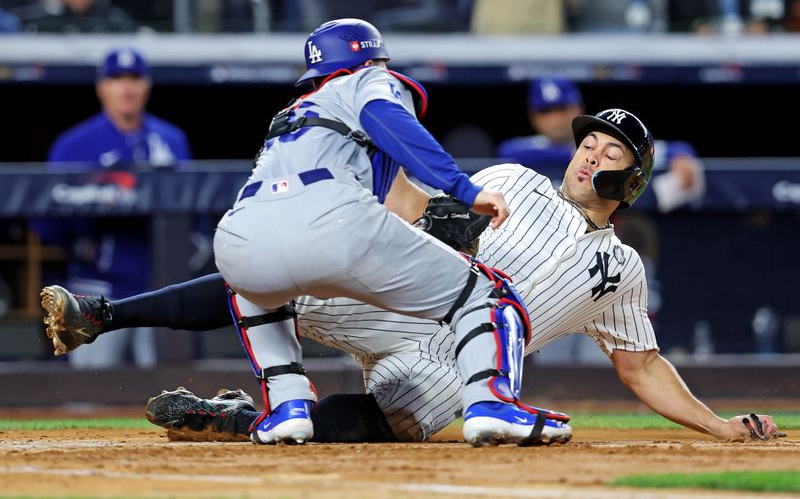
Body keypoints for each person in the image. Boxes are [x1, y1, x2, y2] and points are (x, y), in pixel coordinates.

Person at [42, 107, 783, 444]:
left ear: (633, 181)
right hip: (420, 296)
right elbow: (419, 217)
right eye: (588, 140)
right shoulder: (516, 178)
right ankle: (102, 313)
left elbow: (641, 364)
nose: (591, 153)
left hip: (462, 355)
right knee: (282, 279)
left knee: (403, 418)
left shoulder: (621, 267)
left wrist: (719, 424)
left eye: (610, 152)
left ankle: (237, 417)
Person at [34, 47, 192, 370]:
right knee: (89, 392)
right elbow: (43, 215)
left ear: (146, 85)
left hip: (160, 285)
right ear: (101, 87)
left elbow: (197, 206)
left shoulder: (171, 140)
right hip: (96, 287)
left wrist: (191, 249)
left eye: (134, 78)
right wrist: (81, 247)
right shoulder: (74, 144)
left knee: (170, 386)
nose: (126, 87)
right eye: (116, 79)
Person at [498, 77, 705, 213]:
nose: (556, 119)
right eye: (547, 111)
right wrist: (574, 154)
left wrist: (681, 156)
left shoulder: (605, 137)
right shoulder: (523, 148)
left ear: (577, 108)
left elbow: (667, 149)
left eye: (562, 109)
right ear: (533, 117)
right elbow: (507, 152)